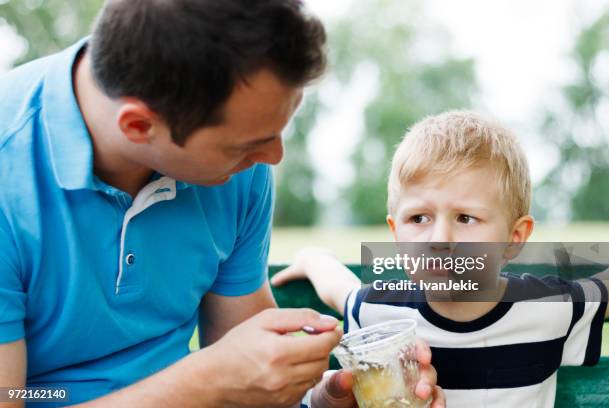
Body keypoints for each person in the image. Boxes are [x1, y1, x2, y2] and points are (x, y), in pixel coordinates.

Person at [0, 1, 445, 407]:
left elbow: (251, 371)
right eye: (249, 144)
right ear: (138, 125)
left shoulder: (236, 170)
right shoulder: (9, 172)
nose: (272, 158)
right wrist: (204, 380)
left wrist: (323, 398)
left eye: (277, 132)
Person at [272, 110, 609, 407]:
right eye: (418, 219)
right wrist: (313, 258)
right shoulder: (380, 315)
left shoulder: (547, 307)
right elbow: (340, 288)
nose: (438, 240)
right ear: (395, 234)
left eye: (465, 218)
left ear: (514, 238)